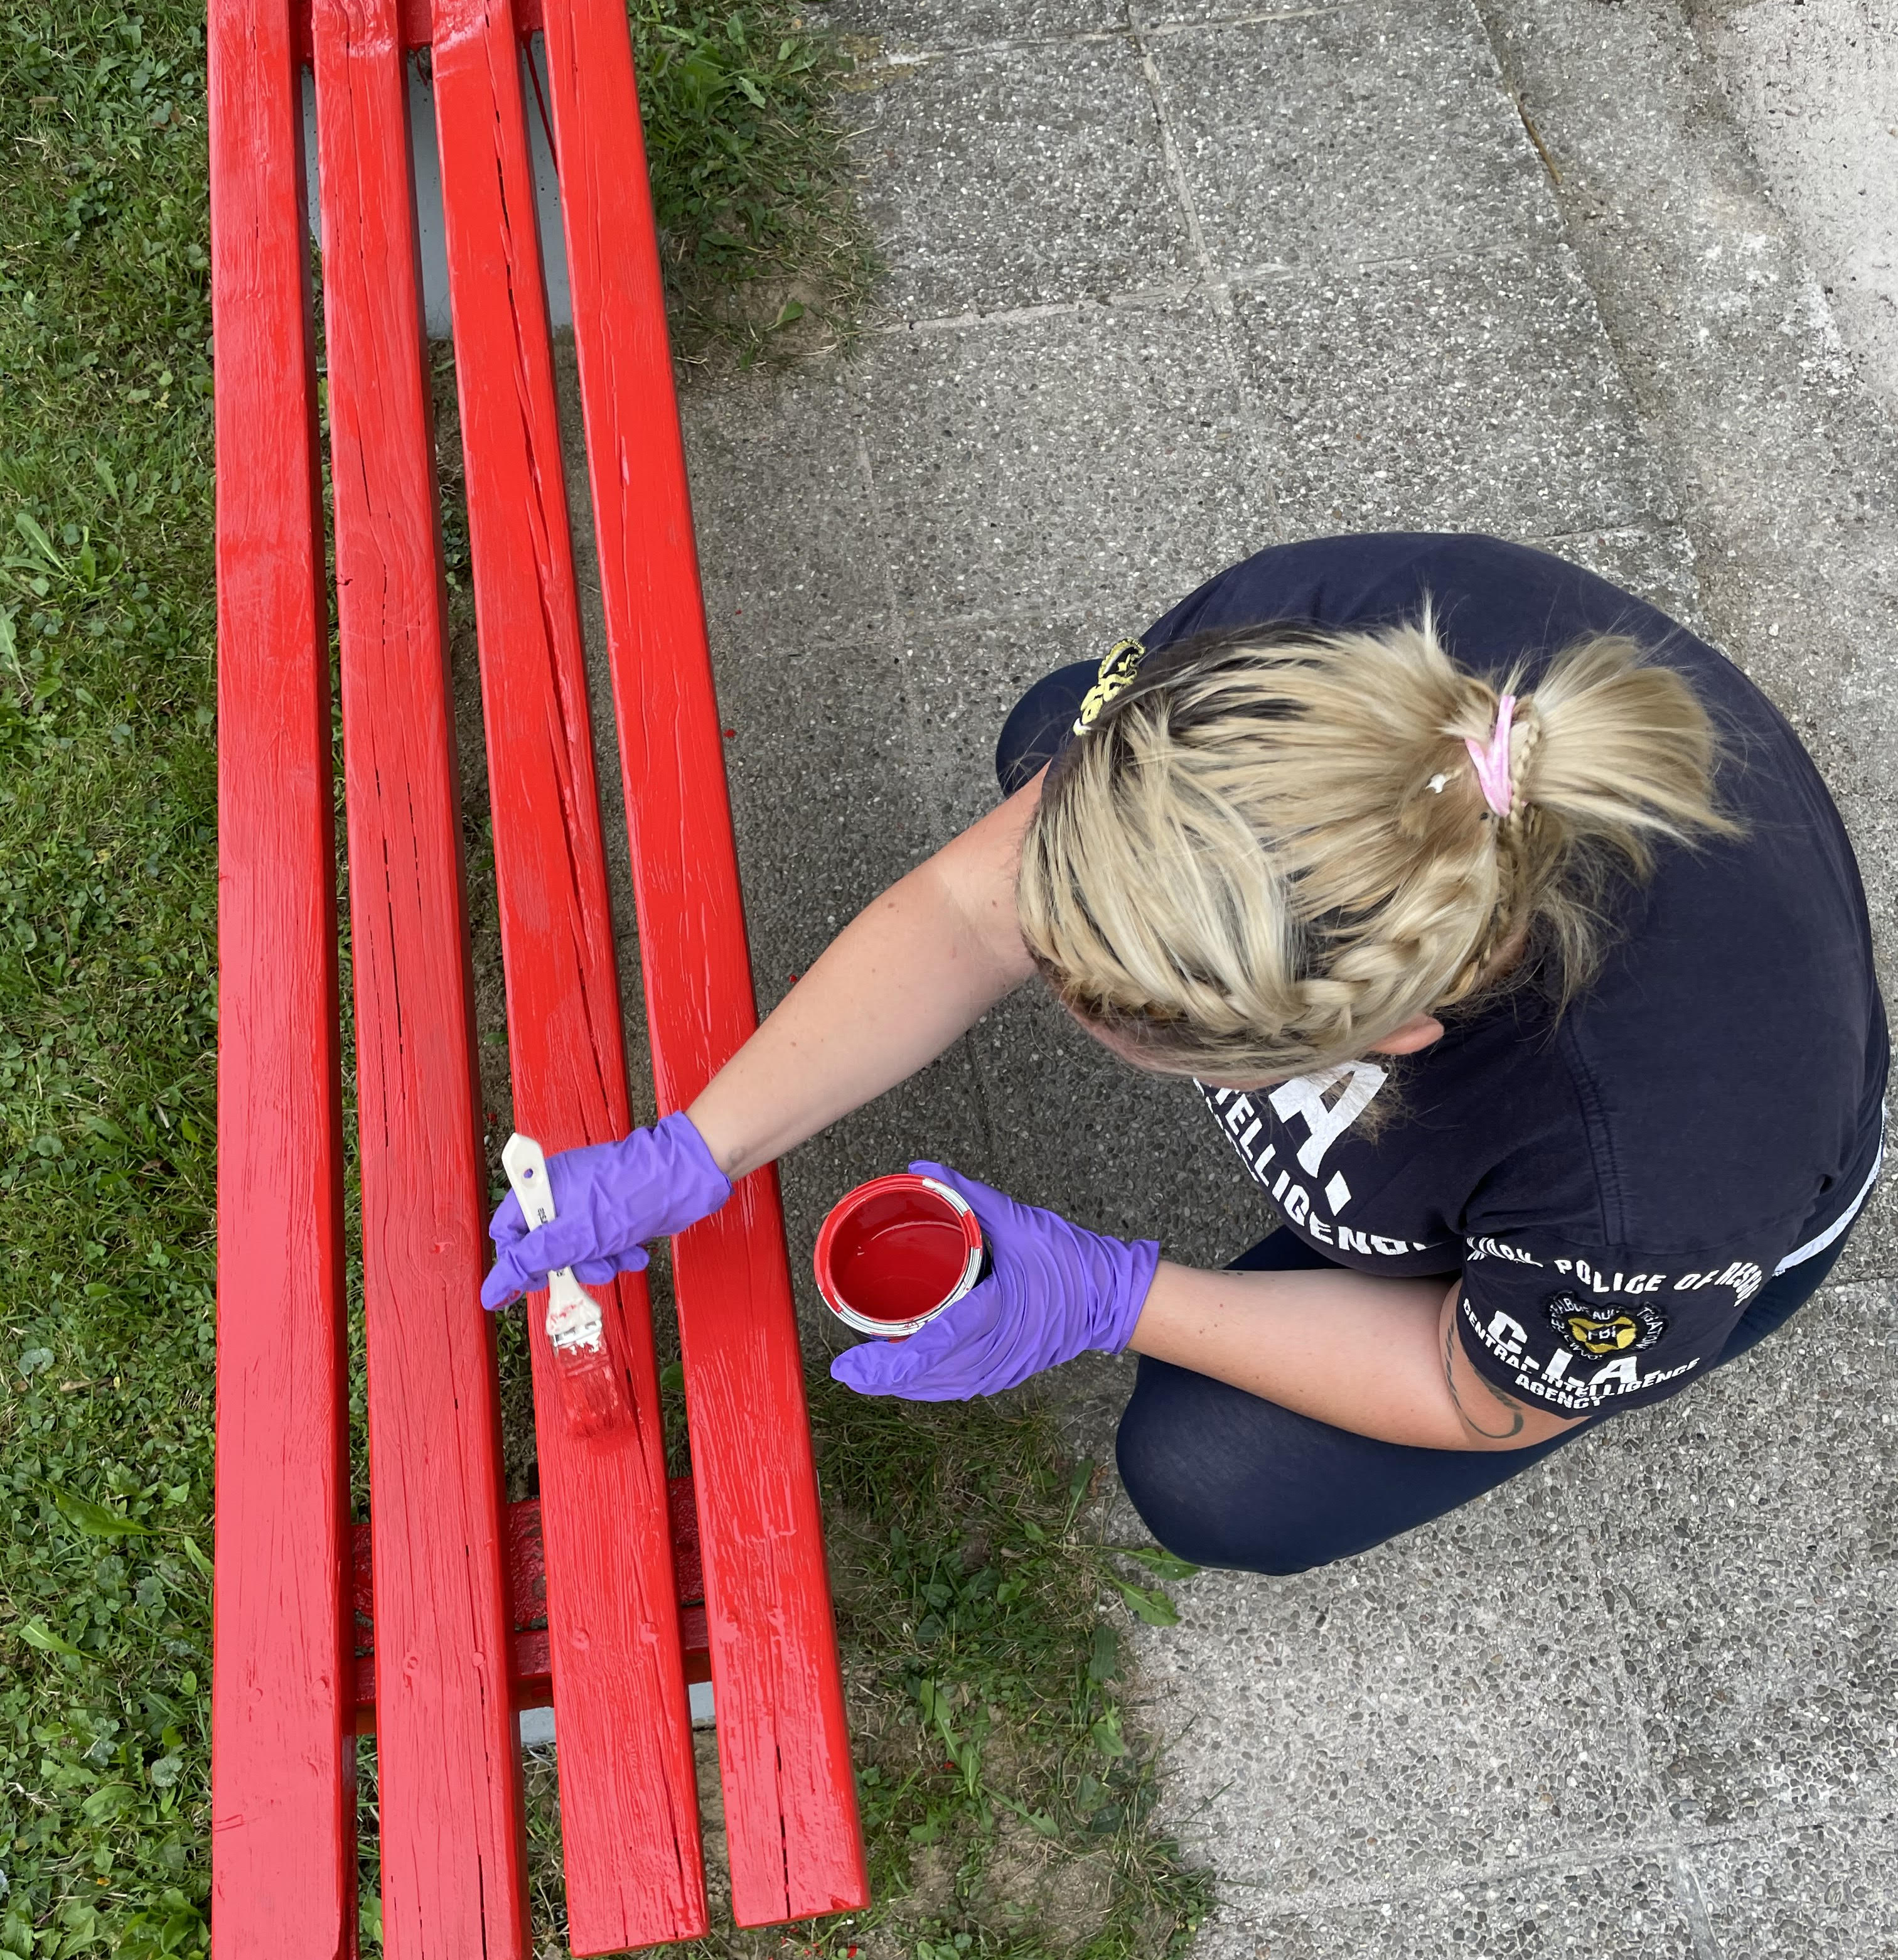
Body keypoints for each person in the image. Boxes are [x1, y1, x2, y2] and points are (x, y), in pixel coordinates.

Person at [480, 533, 1888, 1577]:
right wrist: (701, 1147)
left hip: (1637, 1256)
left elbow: (1479, 1392)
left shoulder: (1655, 1173)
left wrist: (1117, 1296)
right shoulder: (1295, 645)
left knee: (1214, 1479)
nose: (1046, 983)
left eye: (1144, 1028)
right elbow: (978, 906)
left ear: (1387, 1043)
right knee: (1051, 733)